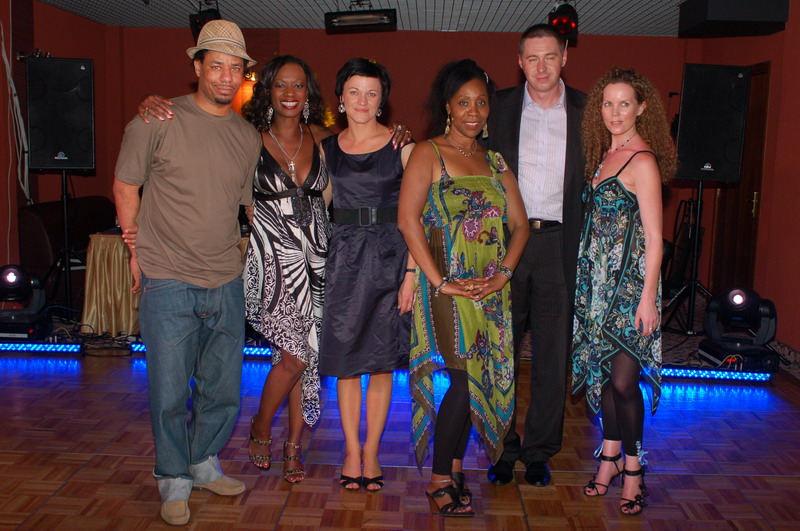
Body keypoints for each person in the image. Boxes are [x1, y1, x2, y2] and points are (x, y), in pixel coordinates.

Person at [135, 57, 411, 485]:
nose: (289, 93)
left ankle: (294, 445)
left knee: (309, 355)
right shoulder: (248, 137)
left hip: (320, 256)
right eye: (281, 84)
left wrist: (400, 134)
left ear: (310, 93)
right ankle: (262, 426)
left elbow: (361, 175)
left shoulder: (323, 139)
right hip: (274, 257)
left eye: (298, 85)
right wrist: (151, 104)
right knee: (294, 355)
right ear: (267, 90)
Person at [112, 20, 261, 526]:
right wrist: (134, 249)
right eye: (216, 65)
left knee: (222, 388)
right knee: (170, 391)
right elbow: (125, 185)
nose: (225, 76)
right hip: (169, 275)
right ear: (197, 66)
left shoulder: (246, 136)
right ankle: (173, 479)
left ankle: (202, 463)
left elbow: (246, 205)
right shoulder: (156, 120)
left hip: (226, 278)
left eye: (235, 68)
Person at [398, 59, 529, 517]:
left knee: (475, 377)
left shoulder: (495, 162)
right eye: (463, 102)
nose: (473, 111)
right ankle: (438, 479)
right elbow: (408, 221)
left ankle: (454, 467)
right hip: (447, 285)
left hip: (491, 286)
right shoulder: (427, 153)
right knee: (460, 378)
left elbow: (520, 225)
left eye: (481, 103)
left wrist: (503, 275)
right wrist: (441, 282)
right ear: (448, 107)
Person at [484, 23, 587, 487]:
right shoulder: (497, 107)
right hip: (507, 244)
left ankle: (540, 451)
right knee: (500, 352)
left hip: (561, 246)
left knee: (552, 355)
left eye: (550, 57)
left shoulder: (588, 110)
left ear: (564, 57)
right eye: (532, 58)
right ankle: (503, 448)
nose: (541, 67)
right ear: (519, 62)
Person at [571, 67, 675, 516]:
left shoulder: (643, 161)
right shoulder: (604, 156)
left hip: (630, 289)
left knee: (623, 381)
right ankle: (609, 458)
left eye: (624, 104)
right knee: (605, 377)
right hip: (597, 287)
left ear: (641, 108)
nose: (615, 112)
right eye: (608, 104)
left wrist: (648, 297)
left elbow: (655, 237)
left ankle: (634, 468)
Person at [318, 58, 415, 492]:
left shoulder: (402, 147)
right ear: (340, 98)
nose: (362, 101)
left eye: (372, 93)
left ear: (382, 100)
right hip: (342, 261)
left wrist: (411, 274)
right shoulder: (325, 149)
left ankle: (372, 452)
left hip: (390, 260)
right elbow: (316, 207)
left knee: (380, 362)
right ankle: (351, 451)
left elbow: (418, 217)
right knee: (345, 363)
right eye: (354, 92)